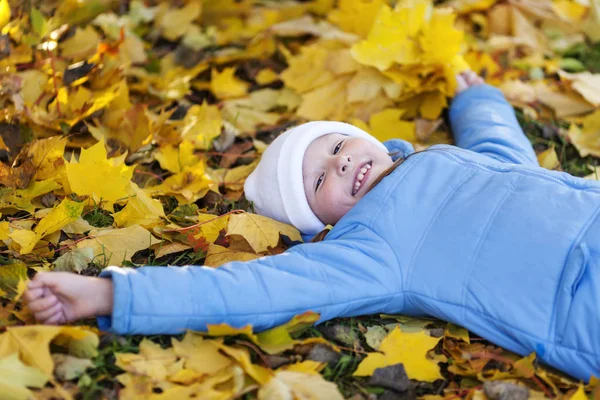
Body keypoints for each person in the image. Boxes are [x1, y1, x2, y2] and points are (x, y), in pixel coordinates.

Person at [24, 71, 600, 382]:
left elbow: (503, 153)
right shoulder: (370, 251)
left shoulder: (433, 158)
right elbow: (255, 289)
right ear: (316, 224)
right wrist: (111, 291)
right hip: (580, 299)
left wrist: (479, 100)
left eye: (339, 144)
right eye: (319, 177)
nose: (342, 161)